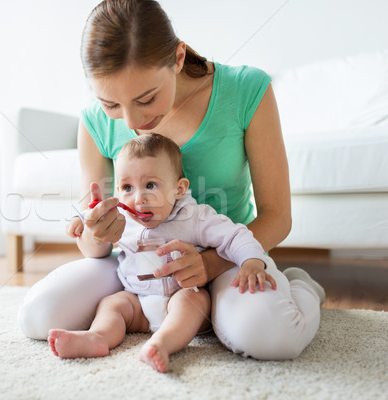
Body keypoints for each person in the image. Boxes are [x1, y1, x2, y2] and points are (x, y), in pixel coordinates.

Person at [18, 0, 325, 360]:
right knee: (37, 317)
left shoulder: (246, 89)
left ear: (178, 58)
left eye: (146, 98)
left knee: (271, 338)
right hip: (135, 265)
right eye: (111, 104)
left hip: (228, 258)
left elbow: (278, 216)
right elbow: (93, 244)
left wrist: (208, 264)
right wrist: (96, 232)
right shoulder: (93, 123)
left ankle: (301, 286)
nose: (131, 121)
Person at [49, 133, 277, 373]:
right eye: (127, 187)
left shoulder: (195, 217)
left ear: (178, 189)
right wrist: (81, 221)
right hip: (137, 302)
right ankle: (98, 337)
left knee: (193, 301)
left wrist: (252, 261)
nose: (139, 199)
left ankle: (161, 344)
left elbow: (235, 236)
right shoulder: (122, 218)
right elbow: (95, 217)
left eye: (150, 186)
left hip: (180, 297)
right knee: (112, 304)